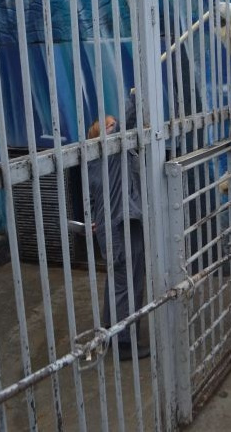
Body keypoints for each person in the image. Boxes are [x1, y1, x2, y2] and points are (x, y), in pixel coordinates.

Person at [87, 90, 149, 361]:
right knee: (125, 283)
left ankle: (112, 331)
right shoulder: (106, 154)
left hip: (125, 221)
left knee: (125, 280)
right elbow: (128, 121)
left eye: (113, 124)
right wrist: (135, 96)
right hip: (117, 225)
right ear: (99, 135)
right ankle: (123, 342)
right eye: (109, 126)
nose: (115, 129)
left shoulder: (109, 157)